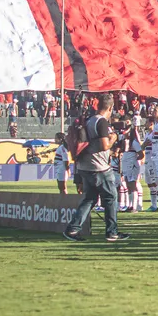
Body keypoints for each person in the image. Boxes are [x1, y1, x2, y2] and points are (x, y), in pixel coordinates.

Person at [63, 94, 129, 242]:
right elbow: (104, 145)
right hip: (99, 167)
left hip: (85, 165)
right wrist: (114, 138)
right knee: (111, 197)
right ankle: (112, 232)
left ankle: (72, 229)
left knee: (90, 199)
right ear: (110, 108)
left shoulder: (88, 120)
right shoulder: (101, 122)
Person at [121, 119, 143, 212]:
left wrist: (134, 160)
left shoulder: (134, 142)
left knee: (132, 184)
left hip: (132, 164)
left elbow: (141, 154)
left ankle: (134, 206)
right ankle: (129, 205)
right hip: (126, 164)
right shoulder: (125, 142)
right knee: (128, 184)